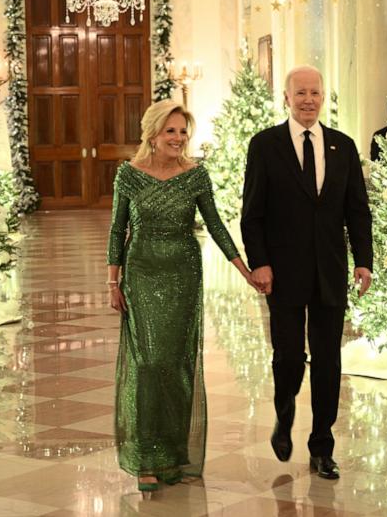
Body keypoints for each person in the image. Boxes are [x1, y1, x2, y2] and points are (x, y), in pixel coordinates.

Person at [106, 101, 255, 495]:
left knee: (177, 364)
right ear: (153, 135)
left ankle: (173, 454)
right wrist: (113, 282)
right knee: (150, 364)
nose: (178, 138)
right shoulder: (129, 176)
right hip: (141, 273)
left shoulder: (195, 176)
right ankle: (146, 456)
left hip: (184, 275)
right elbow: (116, 229)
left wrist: (243, 269)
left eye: (183, 131)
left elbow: (217, 225)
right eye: (170, 131)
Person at [241, 65, 373, 480]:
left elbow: (357, 211)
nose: (308, 99)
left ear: (322, 96)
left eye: (315, 92)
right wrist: (259, 262)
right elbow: (252, 214)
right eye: (300, 92)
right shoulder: (265, 145)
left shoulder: (343, 146)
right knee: (289, 356)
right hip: (282, 273)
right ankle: (284, 413)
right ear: (286, 97)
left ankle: (322, 446)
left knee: (328, 359)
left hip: (330, 272)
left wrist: (363, 261)